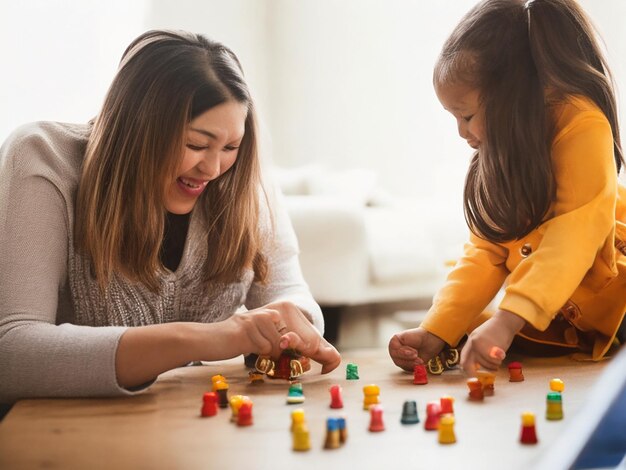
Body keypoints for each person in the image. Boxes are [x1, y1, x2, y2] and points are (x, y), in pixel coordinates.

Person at [0, 30, 340, 404]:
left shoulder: (239, 179)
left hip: (187, 427)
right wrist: (213, 337)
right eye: (195, 144)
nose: (212, 168)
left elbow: (290, 295)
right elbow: (11, 351)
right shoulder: (43, 158)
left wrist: (291, 324)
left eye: (230, 146)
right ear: (137, 129)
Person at [389, 0, 626, 376]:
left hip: (618, 296)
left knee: (501, 321)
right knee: (475, 327)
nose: (461, 132)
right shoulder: (499, 152)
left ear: (511, 98)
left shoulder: (582, 123)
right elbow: (485, 252)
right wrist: (436, 329)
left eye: (466, 116)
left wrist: (508, 319)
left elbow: (573, 237)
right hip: (559, 315)